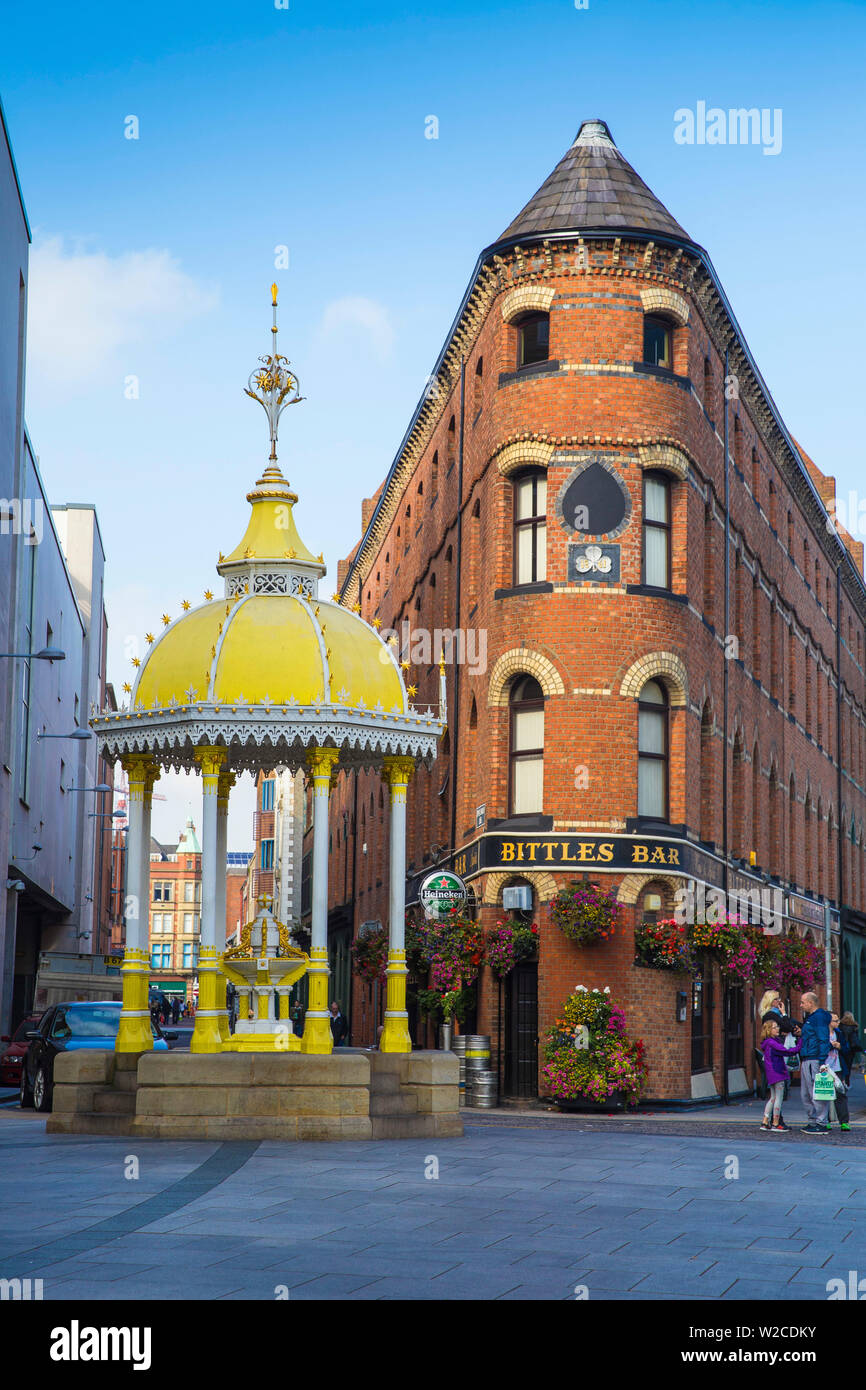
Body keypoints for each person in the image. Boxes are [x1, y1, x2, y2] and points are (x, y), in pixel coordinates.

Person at [799, 990, 833, 1133]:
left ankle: (821, 1122)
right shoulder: (813, 1017)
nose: (800, 1005)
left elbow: (823, 1039)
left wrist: (821, 1061)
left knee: (816, 1092)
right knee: (806, 1093)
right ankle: (813, 1121)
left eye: (802, 1002)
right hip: (808, 1058)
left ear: (810, 1003)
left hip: (814, 1059)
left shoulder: (817, 1018)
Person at [759, 1018, 801, 1131]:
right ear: (769, 1030)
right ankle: (776, 1123)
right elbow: (788, 1052)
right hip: (778, 1072)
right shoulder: (773, 1043)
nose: (777, 1028)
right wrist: (800, 1043)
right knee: (779, 1098)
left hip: (771, 1073)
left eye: (777, 1026)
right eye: (774, 1027)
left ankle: (765, 1122)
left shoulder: (767, 1043)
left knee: (772, 1098)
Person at [826, 1013, 852, 1132]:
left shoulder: (839, 1033)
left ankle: (844, 1122)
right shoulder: (823, 1034)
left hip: (838, 1068)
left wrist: (840, 1046)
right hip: (825, 1068)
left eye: (838, 1020)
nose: (838, 1023)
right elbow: (819, 1048)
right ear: (828, 1022)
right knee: (824, 1095)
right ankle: (825, 1121)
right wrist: (830, 1045)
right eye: (835, 1020)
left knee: (840, 1094)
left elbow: (847, 1049)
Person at [838, 1011, 863, 1084]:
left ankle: (842, 1079)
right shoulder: (854, 1027)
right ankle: (847, 1080)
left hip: (842, 1047)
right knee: (849, 1064)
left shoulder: (840, 1026)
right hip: (851, 1048)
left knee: (842, 1064)